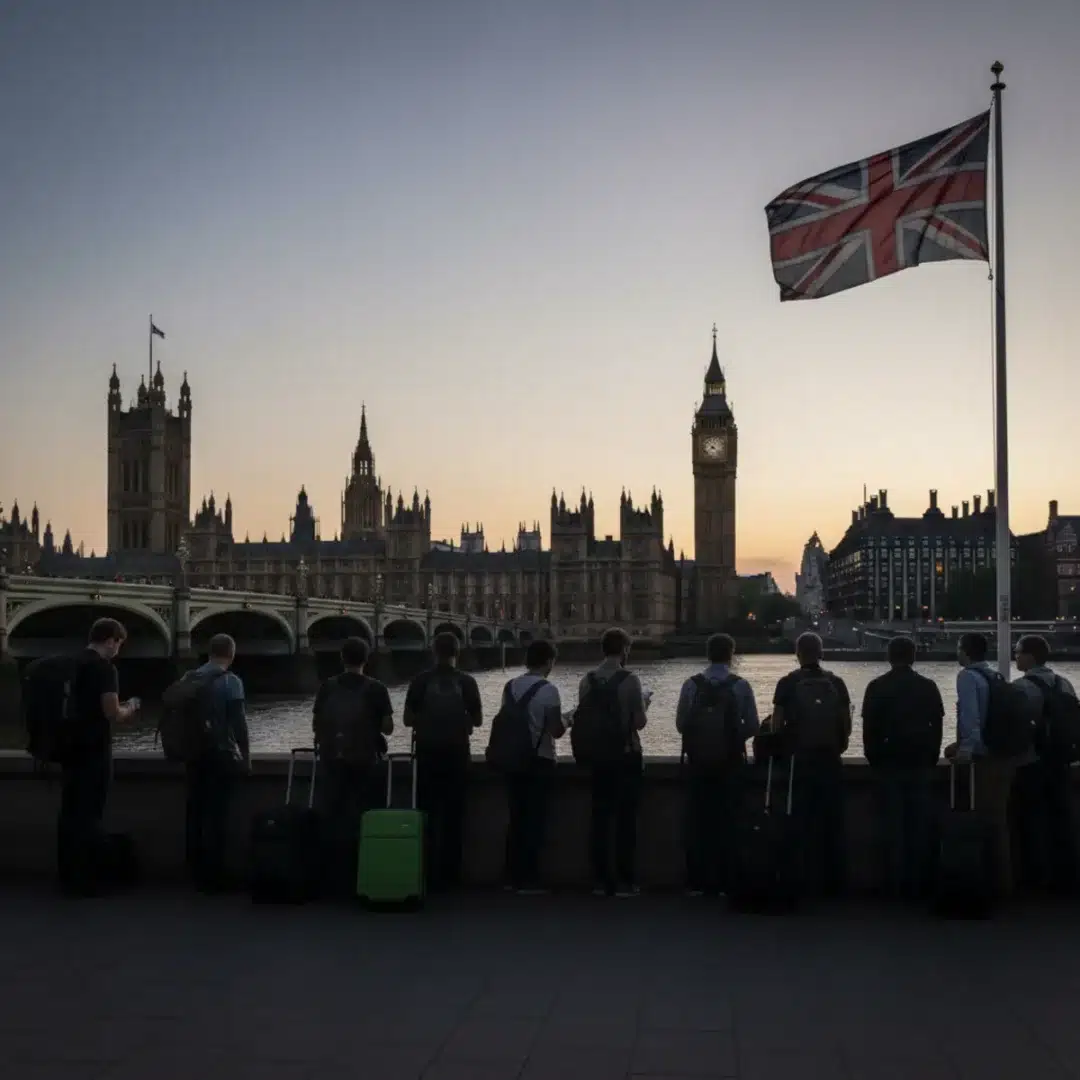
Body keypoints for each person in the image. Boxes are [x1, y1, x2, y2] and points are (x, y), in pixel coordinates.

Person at [58, 618, 139, 896]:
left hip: (67, 747)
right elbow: (111, 712)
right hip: (93, 749)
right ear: (110, 640)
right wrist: (130, 708)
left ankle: (67, 874)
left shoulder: (71, 663)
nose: (118, 650)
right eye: (119, 644)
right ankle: (86, 878)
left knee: (69, 812)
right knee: (91, 812)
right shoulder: (104, 668)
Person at [675, 632, 759, 897]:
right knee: (729, 821)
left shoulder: (691, 685)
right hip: (730, 763)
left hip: (698, 763)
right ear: (731, 655)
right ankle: (726, 881)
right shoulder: (740, 685)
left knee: (697, 822)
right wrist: (733, 737)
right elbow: (754, 725)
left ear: (707, 654)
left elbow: (681, 725)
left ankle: (697, 882)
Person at [861, 636, 944, 901]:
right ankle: (918, 883)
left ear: (889, 656)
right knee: (918, 825)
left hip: (888, 763)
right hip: (920, 762)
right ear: (913, 657)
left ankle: (892, 884)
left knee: (890, 825)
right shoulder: (928, 687)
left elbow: (868, 730)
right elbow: (937, 726)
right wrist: (931, 755)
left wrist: (874, 758)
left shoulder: (876, 687)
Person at [771, 631, 851, 897]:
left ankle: (797, 880)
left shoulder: (787, 683)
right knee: (831, 822)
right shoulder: (836, 683)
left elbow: (776, 726)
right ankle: (833, 883)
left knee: (799, 822)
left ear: (797, 654)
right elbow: (846, 726)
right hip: (830, 760)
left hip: (799, 762)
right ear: (821, 652)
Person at [312, 635, 394, 895]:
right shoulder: (376, 688)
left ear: (342, 659)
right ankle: (364, 875)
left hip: (333, 759)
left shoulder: (328, 686)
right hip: (365, 762)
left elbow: (316, 724)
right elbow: (389, 728)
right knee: (365, 816)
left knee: (333, 817)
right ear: (366, 659)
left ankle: (331, 879)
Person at [404, 631, 482, 891]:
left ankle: (424, 871)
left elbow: (406, 720)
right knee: (454, 817)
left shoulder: (420, 681)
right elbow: (479, 720)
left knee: (426, 814)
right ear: (457, 652)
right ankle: (451, 877)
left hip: (427, 755)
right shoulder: (467, 682)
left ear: (433, 651)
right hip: (457, 755)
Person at [576, 627, 649, 897]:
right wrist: (643, 705)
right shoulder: (630, 680)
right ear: (626, 650)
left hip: (597, 756)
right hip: (625, 755)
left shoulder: (588, 679)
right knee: (626, 820)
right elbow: (638, 722)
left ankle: (600, 880)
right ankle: (625, 881)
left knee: (600, 818)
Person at [943, 632, 1017, 896]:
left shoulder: (968, 678)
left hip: (984, 759)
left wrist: (964, 751)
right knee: (999, 821)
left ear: (966, 651)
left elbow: (971, 719)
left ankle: (982, 884)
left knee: (983, 820)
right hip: (1004, 755)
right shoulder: (995, 676)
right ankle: (1003, 883)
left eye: (959, 648)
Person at [1011, 634, 1078, 895]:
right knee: (1062, 820)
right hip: (1061, 761)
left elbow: (1015, 727)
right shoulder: (1065, 685)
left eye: (1017, 652)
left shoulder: (1021, 688)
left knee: (1032, 821)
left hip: (1032, 762)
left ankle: (1036, 880)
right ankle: (1068, 878)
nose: (1015, 656)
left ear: (1030, 656)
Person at [185, 633, 249, 893]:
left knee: (196, 813)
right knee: (217, 815)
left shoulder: (189, 678)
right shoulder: (230, 681)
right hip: (220, 754)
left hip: (193, 755)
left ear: (209, 652)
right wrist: (246, 756)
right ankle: (215, 875)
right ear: (231, 654)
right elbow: (239, 724)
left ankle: (196, 871)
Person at [501, 639, 565, 894]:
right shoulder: (549, 690)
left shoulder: (510, 686)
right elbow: (555, 730)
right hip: (539, 760)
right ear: (549, 661)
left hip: (513, 760)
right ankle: (528, 879)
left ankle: (510, 877)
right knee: (535, 820)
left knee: (515, 818)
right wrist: (567, 720)